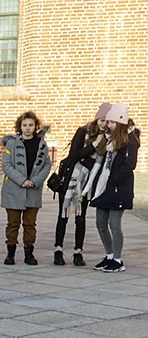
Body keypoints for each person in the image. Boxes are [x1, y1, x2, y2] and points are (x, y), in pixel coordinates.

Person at [53, 103, 109, 266]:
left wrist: (90, 157)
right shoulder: (82, 132)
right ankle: (58, 250)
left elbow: (102, 162)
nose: (104, 124)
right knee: (63, 215)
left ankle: (78, 252)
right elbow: (74, 155)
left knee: (81, 217)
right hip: (71, 180)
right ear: (97, 118)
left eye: (107, 121)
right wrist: (93, 146)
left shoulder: (108, 138)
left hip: (86, 185)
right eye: (102, 120)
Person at [87, 103, 139, 272]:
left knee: (114, 224)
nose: (108, 125)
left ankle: (117, 260)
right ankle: (109, 255)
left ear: (121, 123)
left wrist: (113, 180)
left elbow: (129, 165)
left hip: (118, 188)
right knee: (100, 223)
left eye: (112, 122)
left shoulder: (130, 140)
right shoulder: (107, 138)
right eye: (108, 122)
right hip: (104, 187)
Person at [0, 111, 52, 265]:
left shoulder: (42, 144)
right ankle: (10, 253)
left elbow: (46, 165)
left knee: (30, 224)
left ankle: (29, 253)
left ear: (35, 126)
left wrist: (35, 181)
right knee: (13, 223)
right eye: (24, 125)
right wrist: (22, 180)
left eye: (30, 125)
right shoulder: (11, 143)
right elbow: (6, 165)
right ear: (20, 126)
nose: (27, 128)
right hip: (14, 189)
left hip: (33, 189)